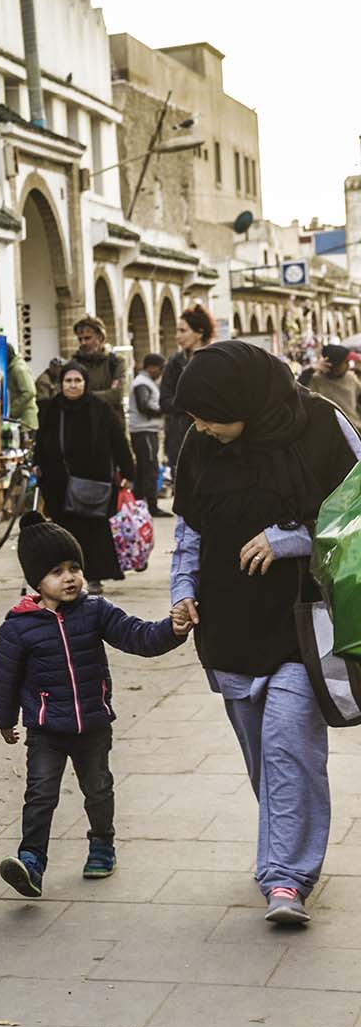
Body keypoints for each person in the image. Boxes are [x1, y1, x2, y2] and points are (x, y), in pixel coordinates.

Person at [171, 340, 361, 926]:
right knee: (264, 754)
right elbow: (189, 526)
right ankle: (287, 844)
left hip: (305, 624)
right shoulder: (200, 442)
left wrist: (291, 538)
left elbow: (356, 515)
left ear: (245, 401)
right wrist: (182, 588)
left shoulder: (325, 428)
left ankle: (286, 879)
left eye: (208, 415)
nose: (200, 428)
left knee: (287, 743)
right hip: (229, 626)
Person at [0, 511, 189, 896]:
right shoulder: (18, 626)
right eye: (56, 571)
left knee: (98, 788)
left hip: (93, 726)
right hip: (46, 730)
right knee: (40, 794)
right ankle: (31, 861)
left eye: (74, 567)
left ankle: (102, 845)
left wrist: (172, 630)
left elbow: (137, 636)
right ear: (36, 581)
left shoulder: (95, 610)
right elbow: (6, 677)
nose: (69, 578)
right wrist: (4, 719)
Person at [35, 362, 134, 592]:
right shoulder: (52, 409)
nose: (73, 385)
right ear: (61, 384)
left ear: (85, 383)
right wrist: (37, 464)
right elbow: (41, 441)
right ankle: (65, 577)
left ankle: (94, 575)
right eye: (68, 381)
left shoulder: (100, 408)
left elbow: (118, 441)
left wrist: (127, 471)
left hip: (93, 482)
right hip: (58, 481)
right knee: (64, 531)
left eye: (77, 381)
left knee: (92, 530)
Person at [160, 303, 213, 482]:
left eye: (183, 331)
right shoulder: (174, 363)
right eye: (177, 331)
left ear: (199, 332)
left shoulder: (216, 359)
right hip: (180, 436)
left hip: (213, 436)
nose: (177, 336)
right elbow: (165, 401)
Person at [128, 353, 168, 516]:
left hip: (146, 430)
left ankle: (138, 504)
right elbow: (144, 406)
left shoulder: (146, 382)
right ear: (151, 367)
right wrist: (163, 411)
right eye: (160, 368)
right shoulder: (142, 383)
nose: (161, 372)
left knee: (143, 468)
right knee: (149, 467)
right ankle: (151, 506)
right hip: (143, 430)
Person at [69, 316, 127, 421]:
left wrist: (83, 396)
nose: (83, 343)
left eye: (87, 338)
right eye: (80, 339)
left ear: (100, 338)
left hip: (111, 425)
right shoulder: (74, 364)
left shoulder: (116, 362)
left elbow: (116, 395)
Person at [299, 344, 361, 424]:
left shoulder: (350, 378)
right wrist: (311, 370)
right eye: (345, 362)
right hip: (331, 430)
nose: (349, 365)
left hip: (355, 428)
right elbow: (297, 392)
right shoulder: (316, 380)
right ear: (333, 365)